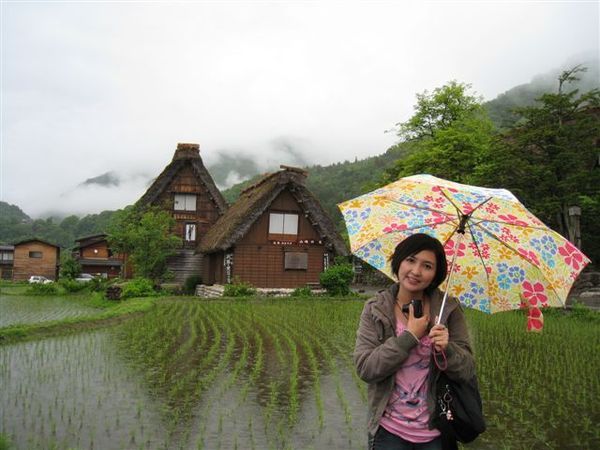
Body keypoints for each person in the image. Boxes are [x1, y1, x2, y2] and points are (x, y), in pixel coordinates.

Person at [354, 233, 475, 450]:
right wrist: (409, 337)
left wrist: (447, 349)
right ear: (398, 261)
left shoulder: (449, 310)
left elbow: (467, 370)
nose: (416, 271)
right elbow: (366, 368)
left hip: (436, 432)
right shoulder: (376, 309)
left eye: (427, 266)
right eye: (410, 260)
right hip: (388, 432)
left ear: (436, 273)